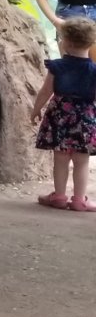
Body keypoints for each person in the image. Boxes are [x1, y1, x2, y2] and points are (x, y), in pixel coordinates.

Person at [31, 16, 96, 212]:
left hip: (59, 114)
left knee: (60, 158)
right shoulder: (94, 70)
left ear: (65, 42)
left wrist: (36, 109)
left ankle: (59, 196)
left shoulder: (57, 66)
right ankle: (78, 200)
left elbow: (46, 91)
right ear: (92, 43)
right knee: (81, 160)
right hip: (84, 117)